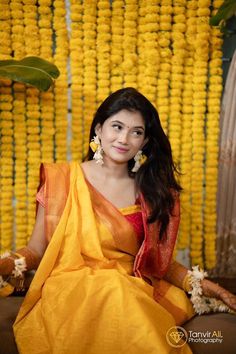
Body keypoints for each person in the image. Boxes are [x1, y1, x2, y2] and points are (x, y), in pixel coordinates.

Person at [0, 87, 236, 354]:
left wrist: (202, 285)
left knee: (119, 291)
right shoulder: (63, 180)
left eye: (136, 132)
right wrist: (4, 264)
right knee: (112, 290)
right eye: (117, 126)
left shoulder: (150, 191)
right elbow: (36, 250)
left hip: (129, 287)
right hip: (70, 286)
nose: (124, 138)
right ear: (99, 129)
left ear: (145, 141)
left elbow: (156, 263)